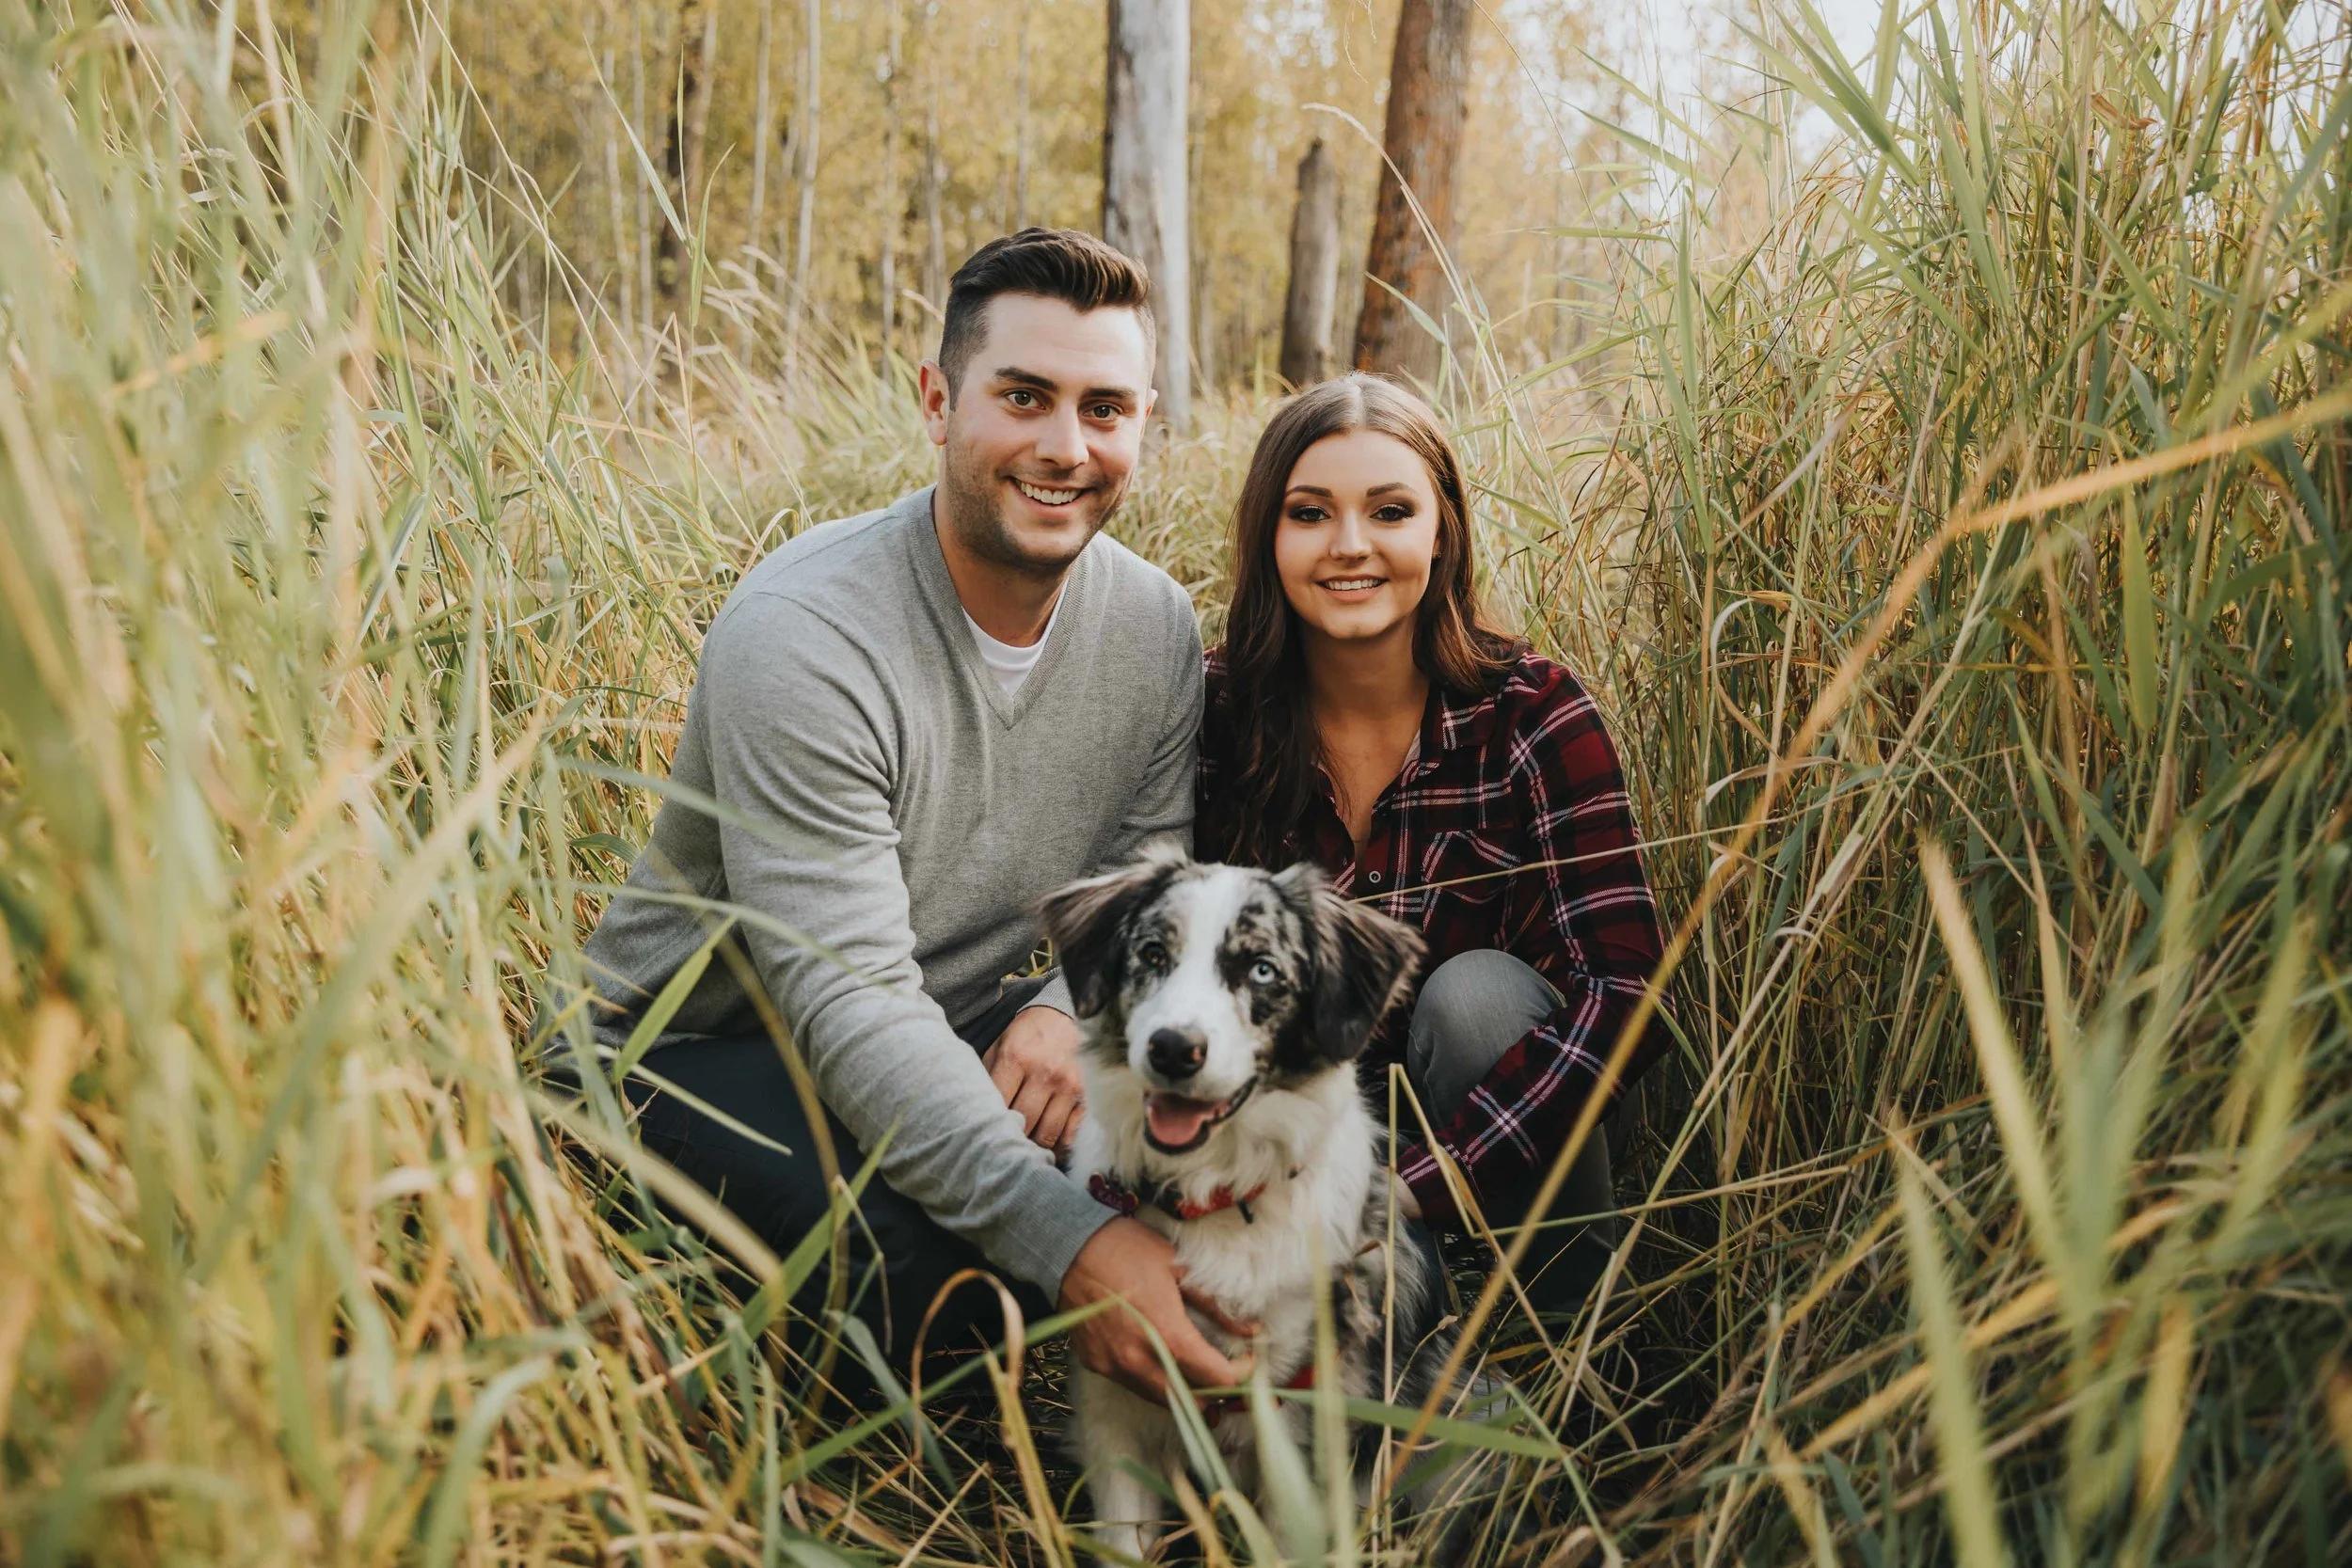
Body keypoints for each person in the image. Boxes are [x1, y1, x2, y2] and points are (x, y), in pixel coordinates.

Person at [577, 229, 1249, 1408]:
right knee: (952, 1285)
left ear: (1145, 422)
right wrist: (1070, 1240)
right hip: (684, 1053)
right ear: (938, 400)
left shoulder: (1153, 629)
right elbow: (845, 999)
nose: (1064, 446)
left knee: (1218, 1145)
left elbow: (1152, 870)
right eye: (1024, 397)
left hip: (951, 1012)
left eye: (1104, 408)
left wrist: (1056, 1007)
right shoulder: (807, 634)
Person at [1195, 374, 1666, 1316]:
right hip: (1285, 1134)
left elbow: (1626, 991)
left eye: (1390, 509)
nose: (1350, 545)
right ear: (1269, 536)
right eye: (1309, 512)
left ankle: (1562, 1353)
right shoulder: (1216, 716)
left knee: (1476, 994)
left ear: (1440, 529)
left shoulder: (1532, 714)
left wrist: (1424, 1179)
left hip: (1499, 1135)